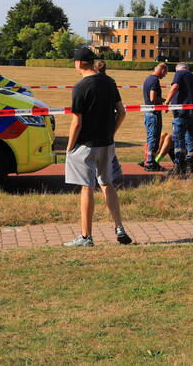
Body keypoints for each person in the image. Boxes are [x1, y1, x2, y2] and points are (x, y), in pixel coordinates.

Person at [63, 47, 131, 247]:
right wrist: (112, 132)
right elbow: (122, 112)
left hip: (86, 144)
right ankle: (119, 227)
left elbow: (77, 122)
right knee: (107, 183)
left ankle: (86, 236)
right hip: (106, 143)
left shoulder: (80, 87)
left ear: (78, 64)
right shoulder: (109, 81)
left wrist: (69, 147)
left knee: (87, 187)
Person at [167, 62, 193, 176]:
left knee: (179, 139)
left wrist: (167, 102)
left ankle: (178, 165)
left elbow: (175, 87)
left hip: (182, 114)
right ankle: (189, 166)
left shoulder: (180, 73)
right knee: (191, 140)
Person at [139, 63, 168, 172]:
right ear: (162, 70)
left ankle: (148, 159)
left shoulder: (148, 79)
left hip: (147, 112)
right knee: (153, 138)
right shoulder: (155, 81)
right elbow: (152, 98)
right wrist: (163, 101)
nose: (165, 75)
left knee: (150, 137)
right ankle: (150, 162)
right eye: (165, 73)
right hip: (153, 112)